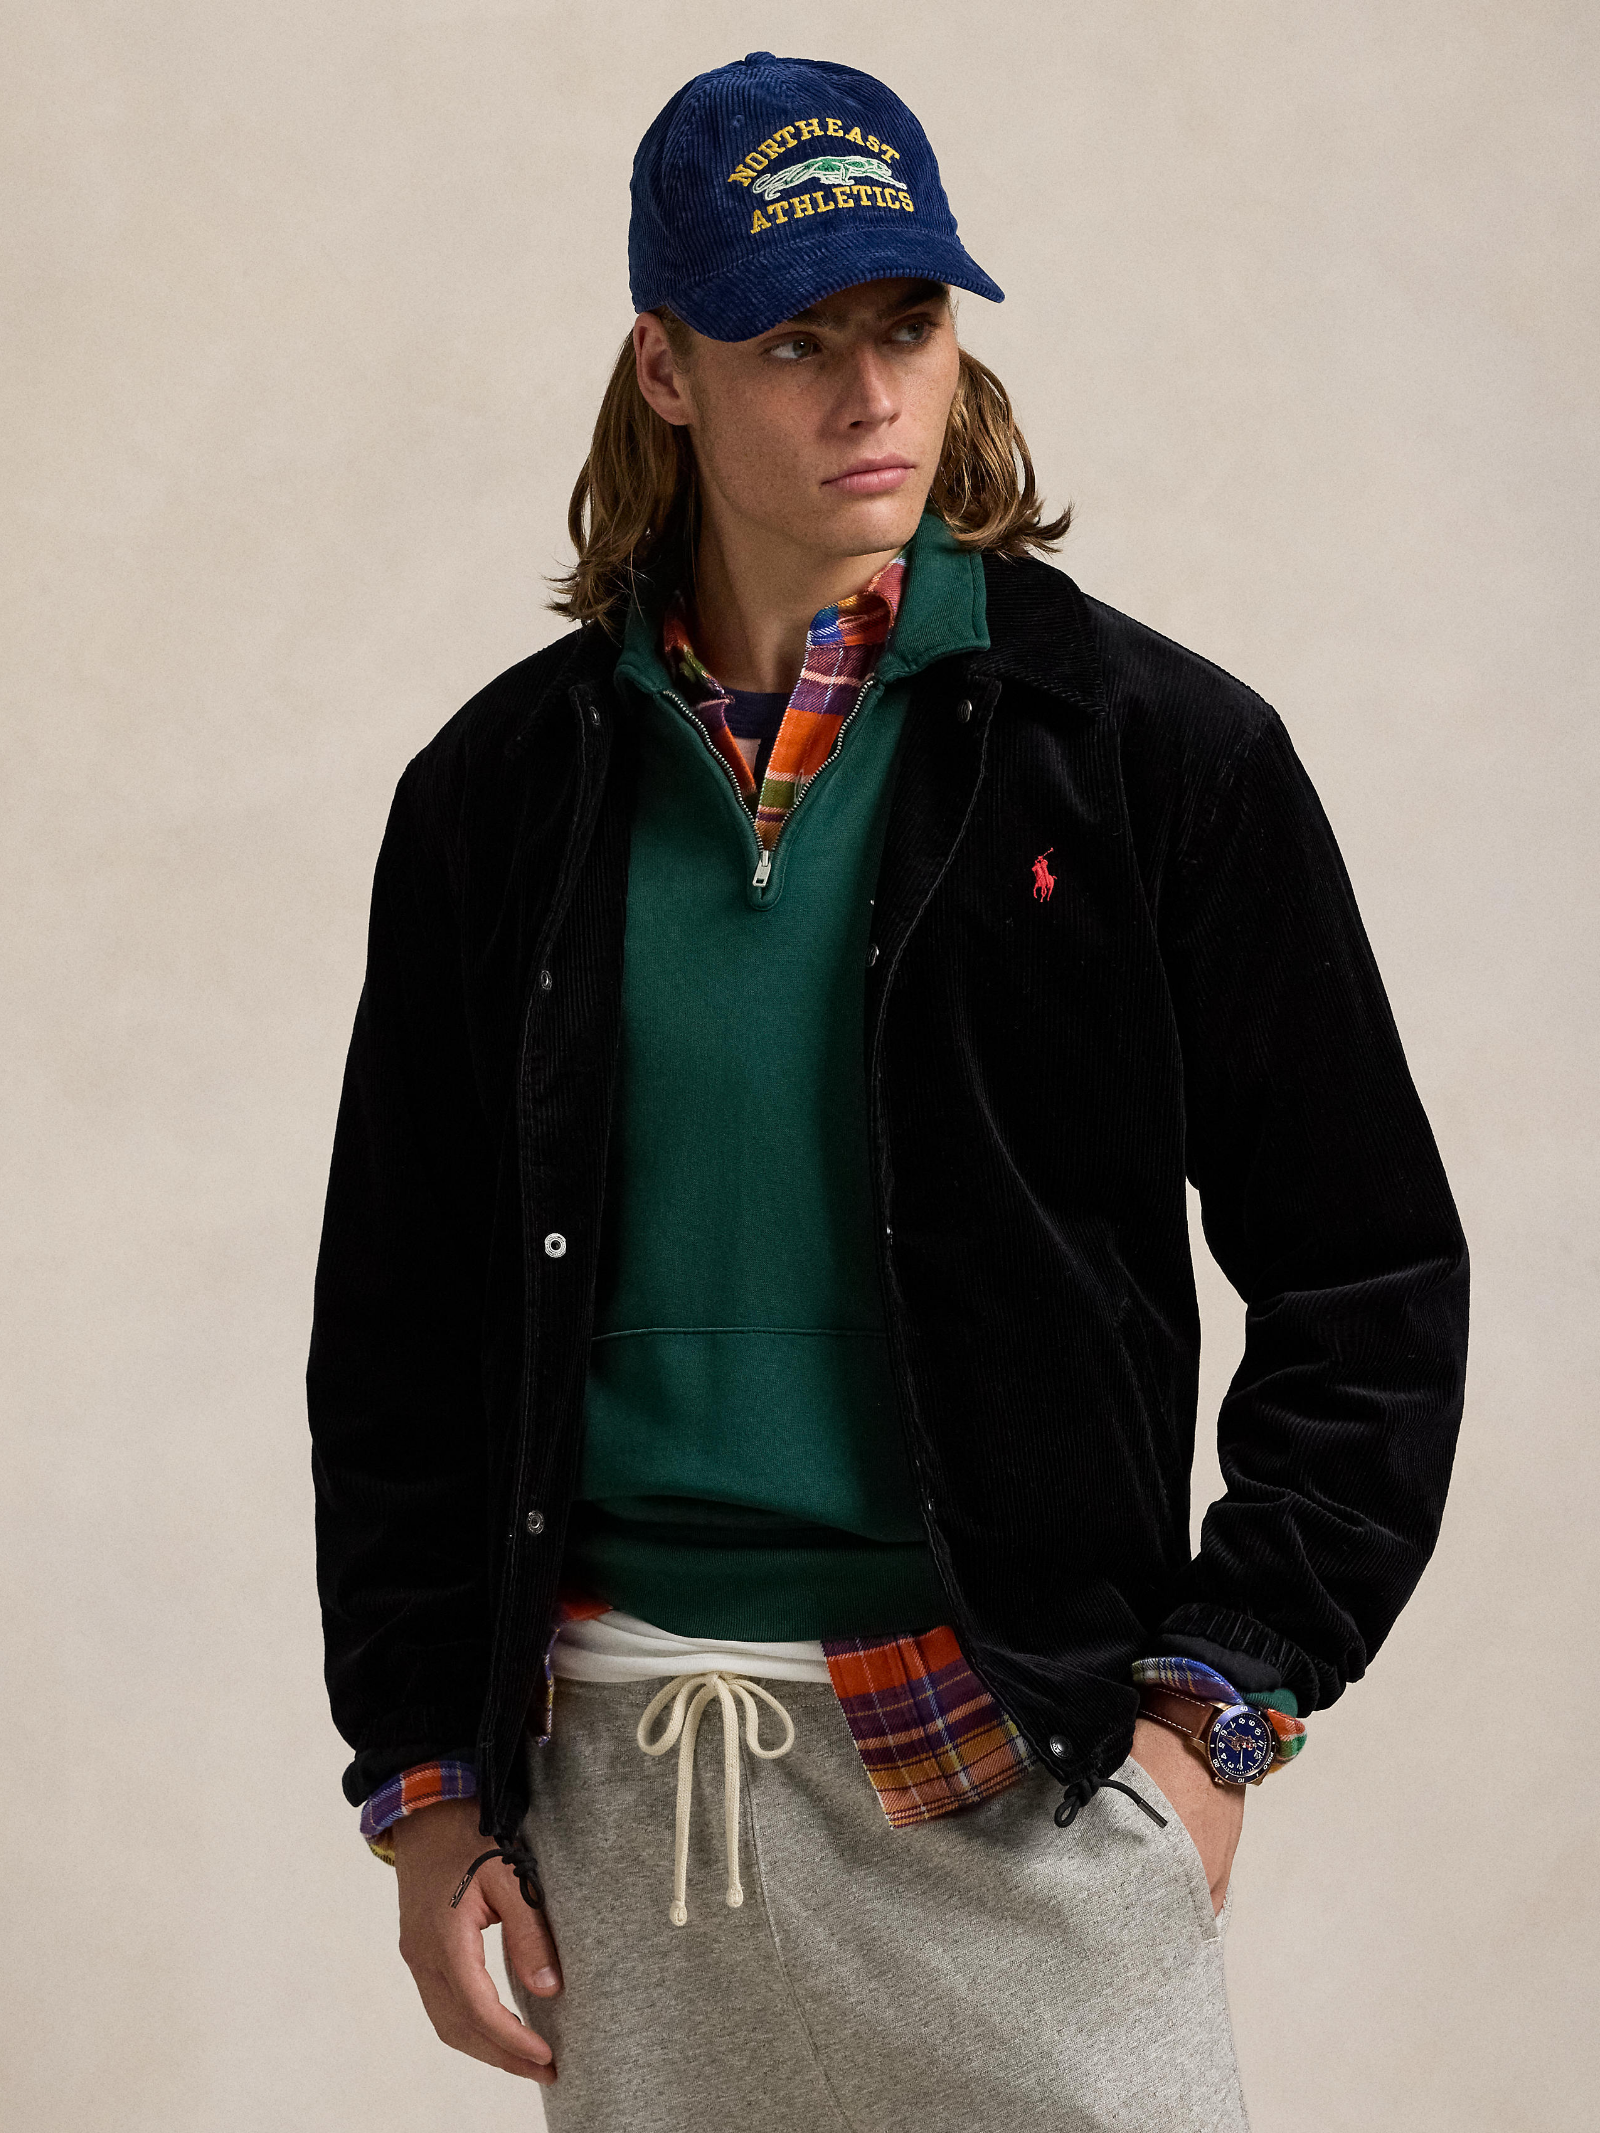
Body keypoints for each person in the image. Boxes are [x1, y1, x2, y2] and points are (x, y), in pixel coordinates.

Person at [308, 51, 1469, 2132]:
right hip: (625, 1800)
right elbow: (396, 1328)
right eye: (795, 340)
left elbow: (1366, 1271)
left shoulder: (1149, 757)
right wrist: (421, 1781)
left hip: (1013, 1772)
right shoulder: (497, 799)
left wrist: (1219, 1710)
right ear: (664, 368)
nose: (870, 393)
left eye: (909, 324)